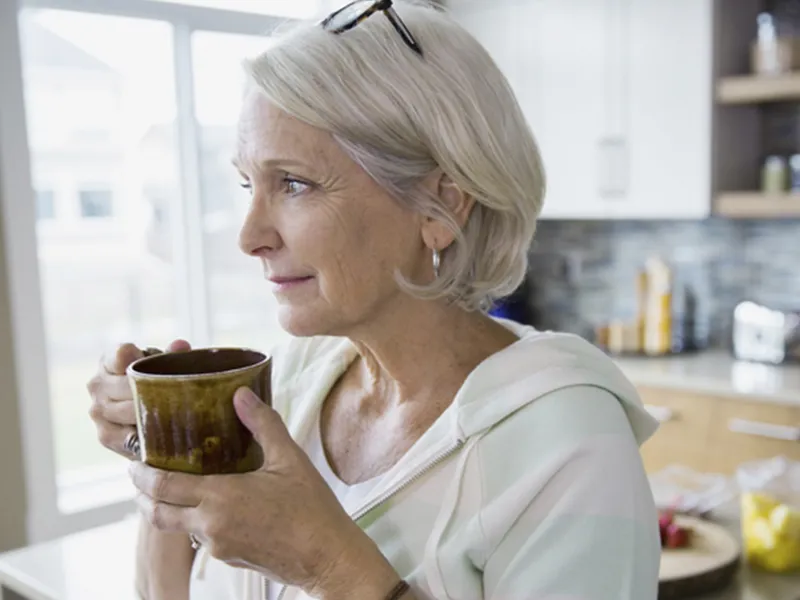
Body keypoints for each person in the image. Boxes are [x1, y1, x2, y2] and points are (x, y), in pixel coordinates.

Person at [87, 1, 661, 599]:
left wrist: (327, 564)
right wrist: (164, 448)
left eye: (294, 183)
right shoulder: (292, 385)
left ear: (442, 207)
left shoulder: (570, 450)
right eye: (247, 183)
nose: (249, 236)